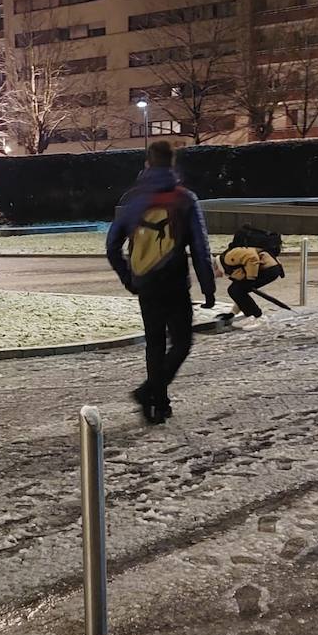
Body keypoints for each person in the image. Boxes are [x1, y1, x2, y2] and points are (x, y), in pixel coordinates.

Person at [107, 140, 216, 424]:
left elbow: (111, 246)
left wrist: (129, 277)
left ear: (147, 163)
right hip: (175, 281)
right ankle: (149, 392)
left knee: (154, 343)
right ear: (172, 164)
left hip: (147, 283)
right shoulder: (185, 198)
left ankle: (157, 403)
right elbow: (200, 248)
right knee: (181, 342)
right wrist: (208, 287)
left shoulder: (132, 199)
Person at [218, 226, 285, 330]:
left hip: (270, 269)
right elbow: (241, 296)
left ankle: (258, 317)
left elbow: (252, 256)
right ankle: (252, 316)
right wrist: (232, 313)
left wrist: (250, 278)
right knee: (236, 289)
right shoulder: (229, 266)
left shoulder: (227, 258)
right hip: (271, 269)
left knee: (235, 289)